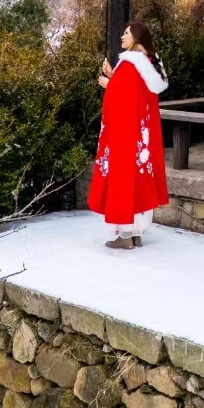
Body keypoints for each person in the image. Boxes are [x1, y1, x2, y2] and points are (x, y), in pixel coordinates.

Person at [88, 20, 169, 250]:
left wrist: (108, 84)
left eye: (126, 33)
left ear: (137, 38)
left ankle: (124, 234)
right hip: (139, 137)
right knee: (138, 179)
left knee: (122, 178)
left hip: (125, 135)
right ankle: (135, 233)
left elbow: (122, 96)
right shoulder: (150, 63)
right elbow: (136, 94)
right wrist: (114, 75)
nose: (122, 37)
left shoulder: (132, 63)